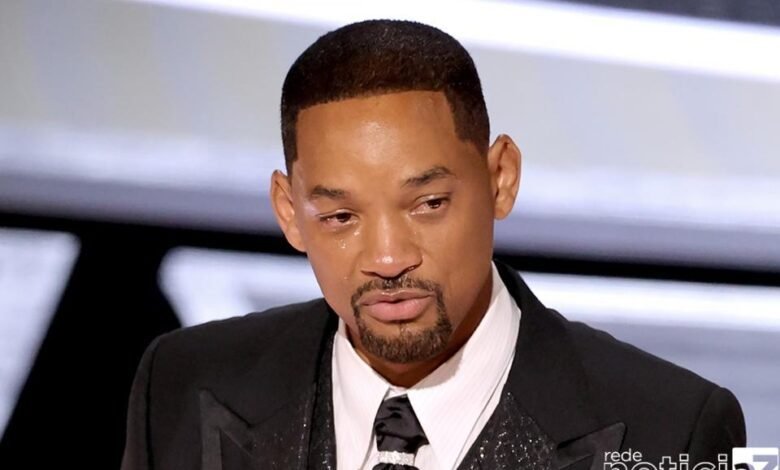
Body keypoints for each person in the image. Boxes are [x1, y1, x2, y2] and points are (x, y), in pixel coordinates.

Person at [121, 19, 745, 470]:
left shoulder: (674, 430)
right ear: (289, 212)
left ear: (500, 179)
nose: (388, 259)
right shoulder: (182, 383)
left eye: (428, 204)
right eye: (340, 216)